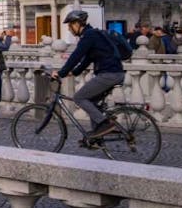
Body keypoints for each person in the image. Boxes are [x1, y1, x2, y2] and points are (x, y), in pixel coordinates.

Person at [51, 10, 127, 141]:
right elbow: (87, 59)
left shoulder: (89, 36)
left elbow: (76, 56)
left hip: (109, 74)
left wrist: (61, 73)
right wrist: (73, 72)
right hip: (114, 73)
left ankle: (104, 124)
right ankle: (97, 136)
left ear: (76, 24)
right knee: (91, 101)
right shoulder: (92, 35)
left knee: (79, 97)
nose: (69, 29)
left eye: (70, 26)